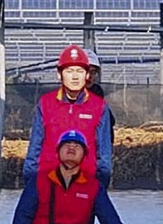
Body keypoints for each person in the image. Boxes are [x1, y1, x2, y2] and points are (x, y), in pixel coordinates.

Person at [11, 130, 134, 224]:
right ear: (58, 152)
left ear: (84, 154)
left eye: (77, 146)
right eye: (66, 145)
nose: (71, 148)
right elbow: (23, 216)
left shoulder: (93, 186)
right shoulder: (38, 180)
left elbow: (111, 221)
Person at [23, 44, 114, 187]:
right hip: (48, 184)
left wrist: (98, 190)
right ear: (59, 74)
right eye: (70, 71)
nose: (75, 77)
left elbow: (104, 156)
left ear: (87, 74)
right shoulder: (46, 104)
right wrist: (31, 187)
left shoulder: (99, 107)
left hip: (85, 185)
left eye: (80, 71)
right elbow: (34, 149)